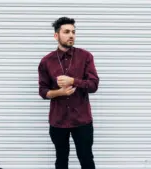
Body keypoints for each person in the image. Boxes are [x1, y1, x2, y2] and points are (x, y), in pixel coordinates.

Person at [37, 17, 99, 169]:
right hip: (58, 120)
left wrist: (73, 81)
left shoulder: (85, 57)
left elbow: (93, 85)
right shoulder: (46, 61)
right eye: (66, 32)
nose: (71, 35)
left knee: (86, 159)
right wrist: (59, 92)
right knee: (61, 160)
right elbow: (43, 91)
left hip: (82, 120)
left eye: (73, 32)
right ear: (56, 36)